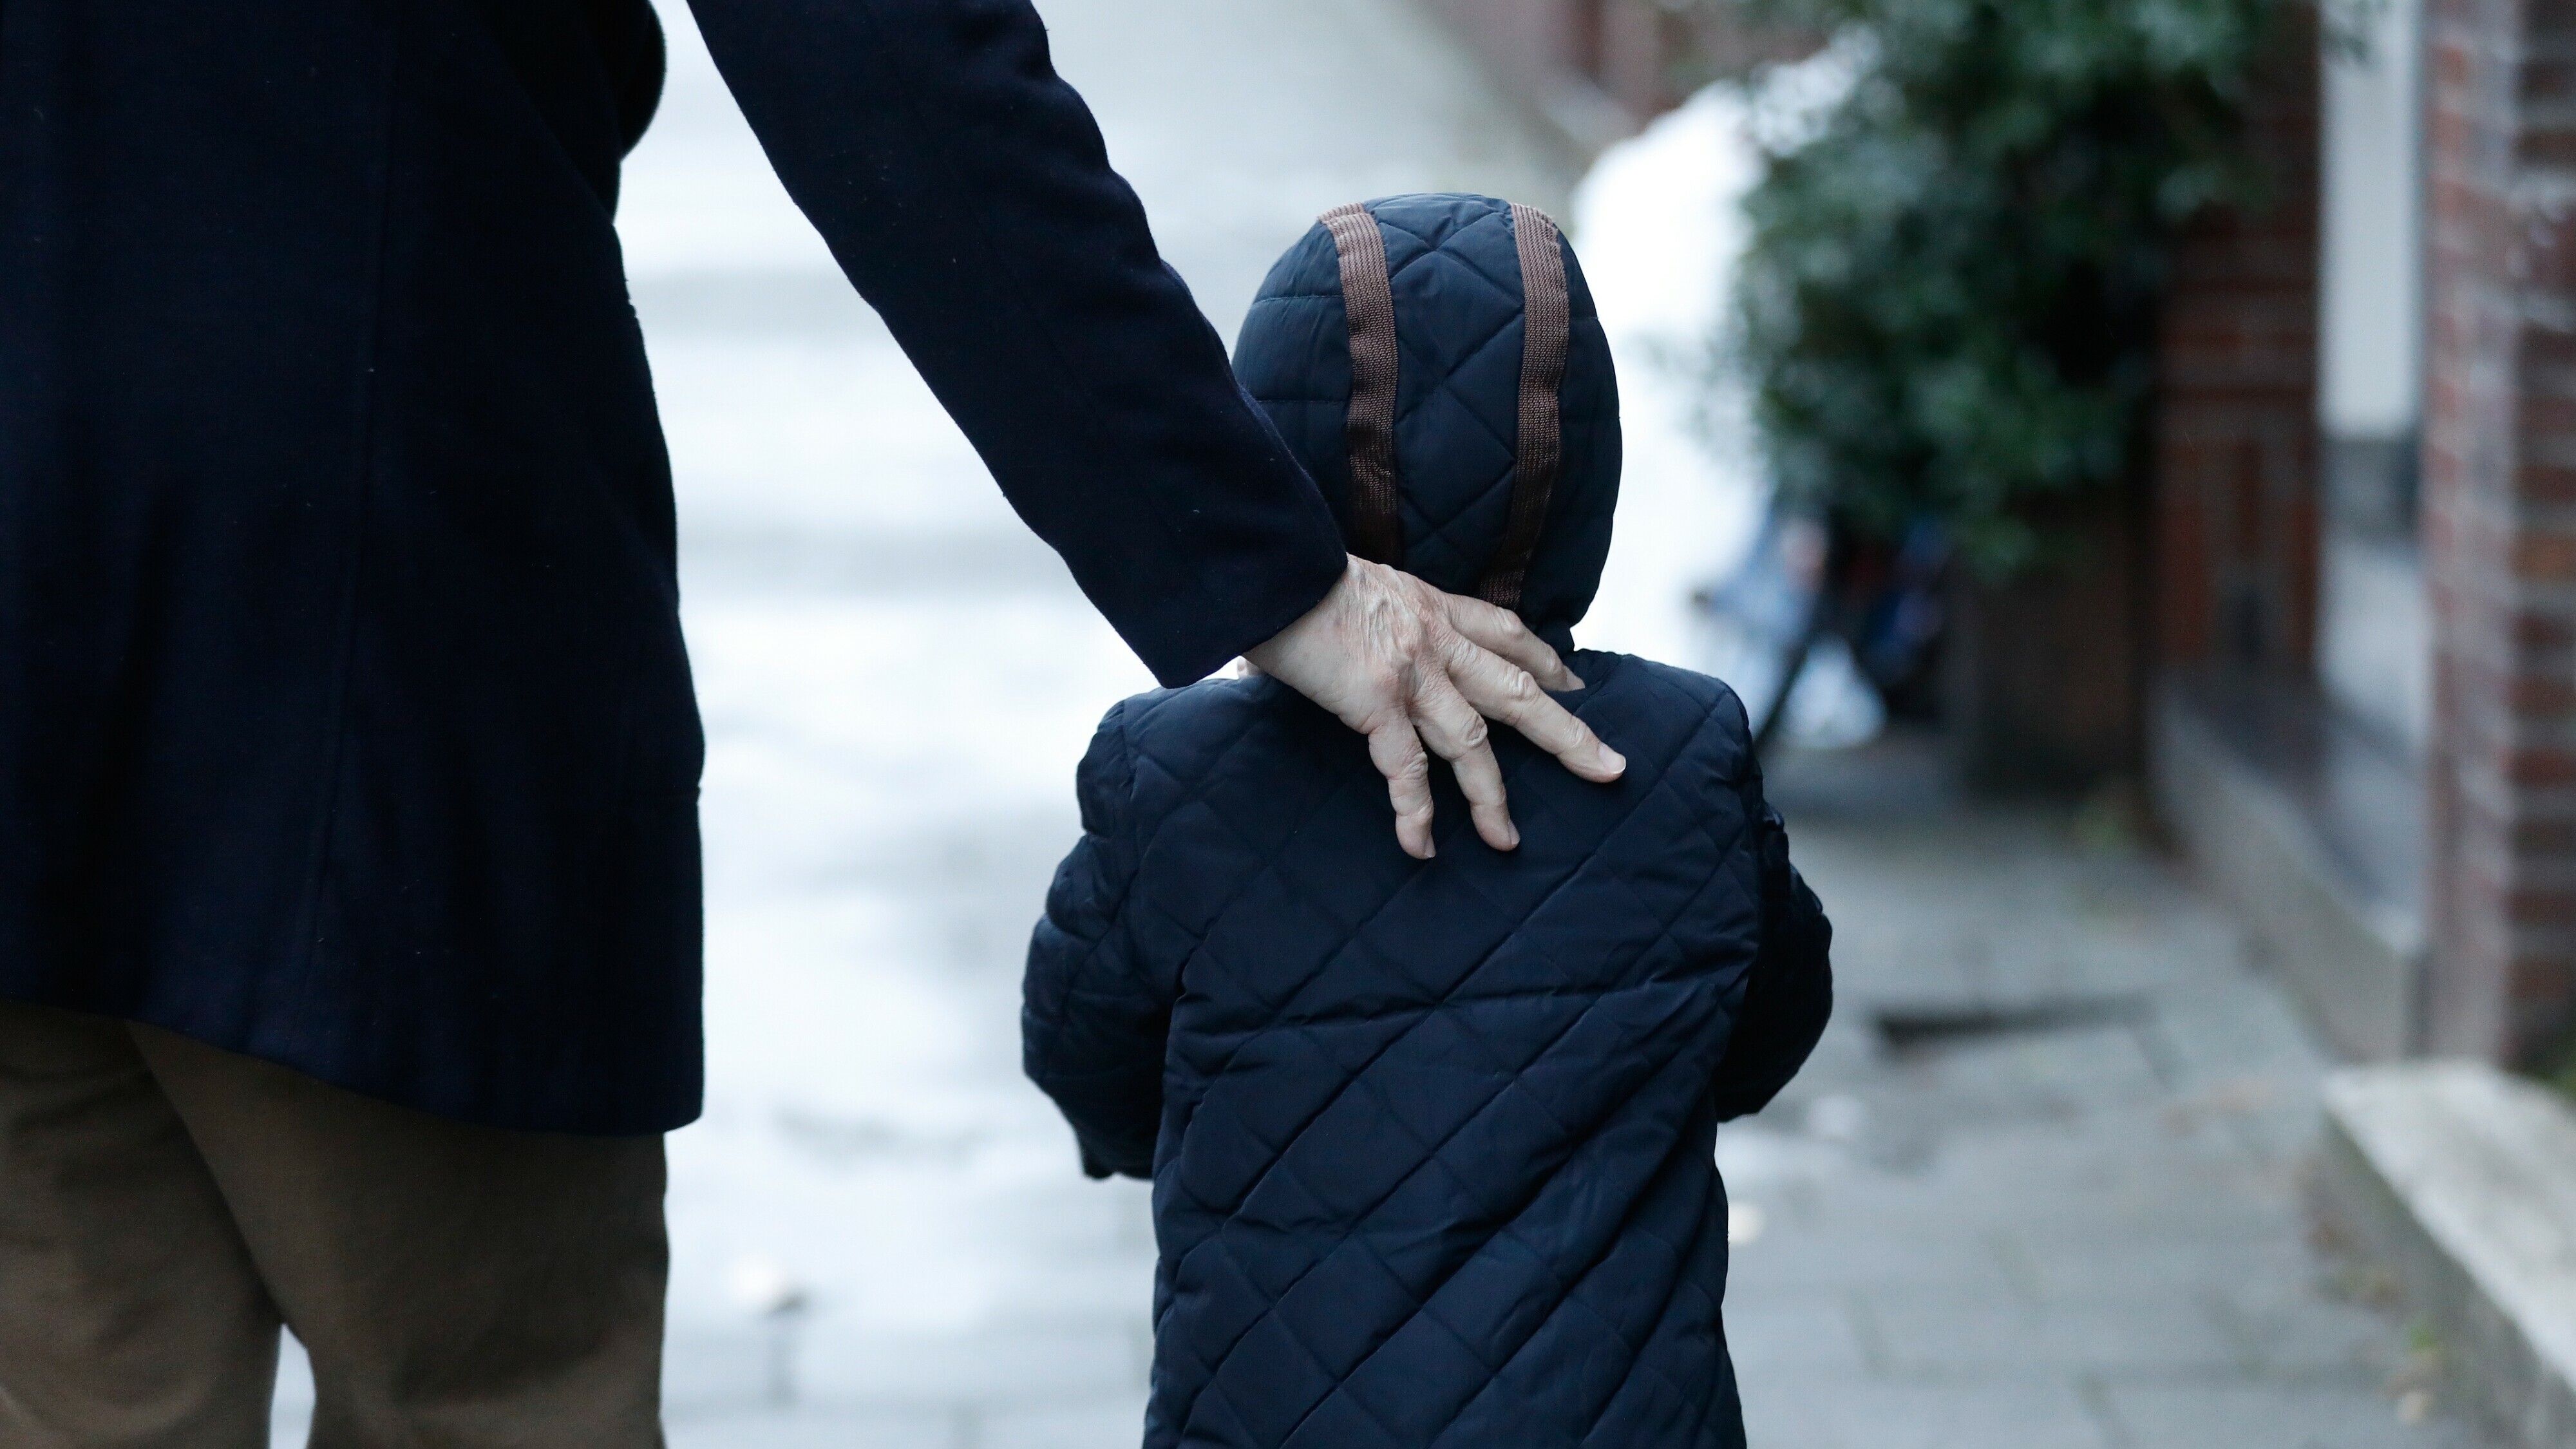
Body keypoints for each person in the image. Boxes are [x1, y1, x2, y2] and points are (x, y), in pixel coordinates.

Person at [0, 5, 1624, 1445]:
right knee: (488, 1395)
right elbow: (882, 61)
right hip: (364, 621)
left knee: (87, 1393)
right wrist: (1260, 569)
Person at [1022, 194, 1836, 1449]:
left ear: (1267, 449)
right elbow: (1767, 1027)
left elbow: (1083, 1055)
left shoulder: (1169, 776)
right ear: (1583, 467)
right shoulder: (1675, 755)